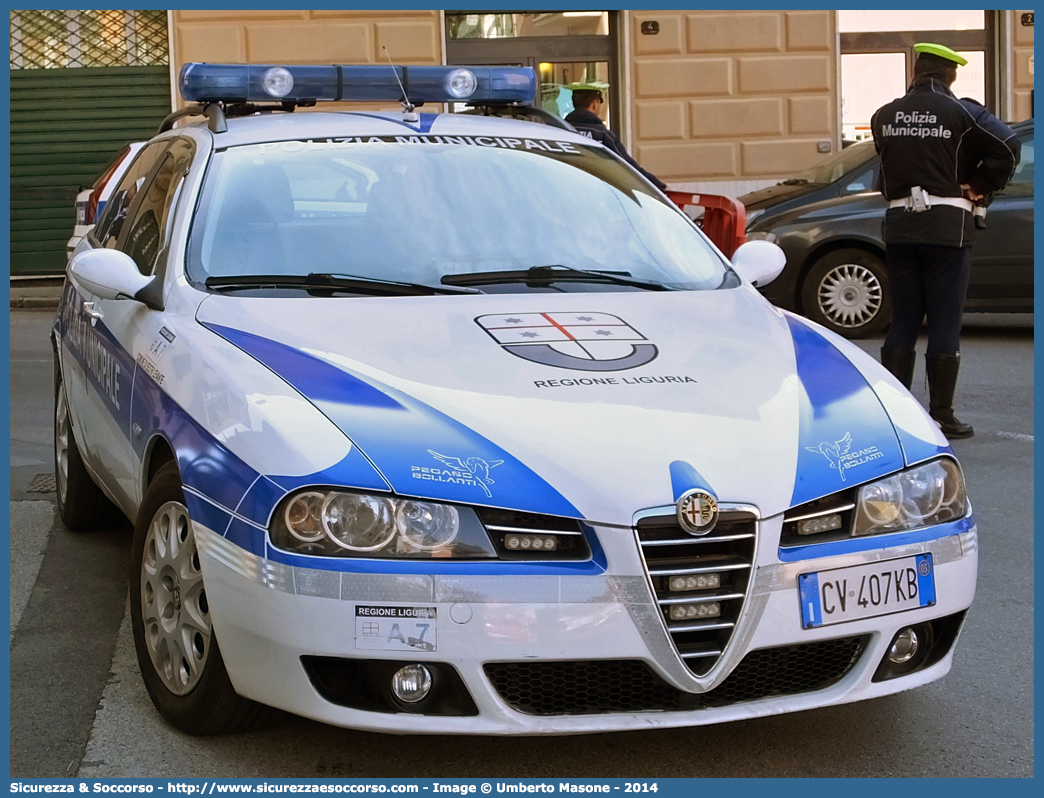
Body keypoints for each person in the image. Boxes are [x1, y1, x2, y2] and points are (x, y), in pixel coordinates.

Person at [871, 43, 1020, 439]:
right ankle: (941, 415)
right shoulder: (964, 112)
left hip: (900, 224)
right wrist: (981, 184)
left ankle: (896, 415)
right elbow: (1008, 146)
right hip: (947, 227)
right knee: (944, 320)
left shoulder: (884, 115)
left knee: (902, 318)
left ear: (915, 72)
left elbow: (884, 169)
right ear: (951, 76)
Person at [565, 85, 668, 191]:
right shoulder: (603, 135)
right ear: (595, 104)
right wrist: (655, 184)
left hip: (566, 188)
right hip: (596, 190)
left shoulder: (559, 131)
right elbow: (626, 165)